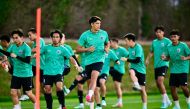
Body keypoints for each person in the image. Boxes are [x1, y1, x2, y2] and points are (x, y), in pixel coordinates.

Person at [41, 29, 82, 109]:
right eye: (53, 37)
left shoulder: (63, 49)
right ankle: (49, 107)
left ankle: (63, 106)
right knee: (47, 90)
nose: (55, 38)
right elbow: (38, 53)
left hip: (58, 72)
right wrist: (31, 57)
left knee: (59, 87)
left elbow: (71, 58)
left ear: (60, 38)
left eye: (57, 37)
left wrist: (76, 65)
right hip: (47, 72)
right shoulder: (46, 48)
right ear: (51, 38)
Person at [76, 16, 109, 109]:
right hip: (88, 62)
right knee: (90, 81)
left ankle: (89, 94)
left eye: (100, 23)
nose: (99, 25)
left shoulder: (104, 33)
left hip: (100, 60)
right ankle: (92, 102)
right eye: (97, 23)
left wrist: (107, 48)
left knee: (94, 76)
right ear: (92, 24)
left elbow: (108, 42)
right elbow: (77, 49)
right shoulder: (85, 35)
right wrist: (87, 49)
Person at [0, 29, 36, 109]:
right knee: (13, 92)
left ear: (22, 38)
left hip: (26, 74)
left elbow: (27, 60)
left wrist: (16, 56)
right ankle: (17, 107)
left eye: (16, 38)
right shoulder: (13, 46)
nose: (15, 40)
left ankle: (36, 105)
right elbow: (8, 54)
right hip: (16, 73)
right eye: (13, 38)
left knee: (28, 93)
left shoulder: (26, 48)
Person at [161, 29, 190, 109]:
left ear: (178, 37)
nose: (173, 38)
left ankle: (188, 101)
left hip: (183, 69)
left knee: (183, 87)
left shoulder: (183, 45)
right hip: (174, 70)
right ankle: (177, 106)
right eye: (171, 37)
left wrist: (185, 58)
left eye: (175, 36)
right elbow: (168, 58)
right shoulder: (169, 46)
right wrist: (164, 58)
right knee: (172, 88)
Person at [145, 25, 172, 108]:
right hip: (156, 65)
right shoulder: (154, 42)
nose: (158, 33)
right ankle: (167, 100)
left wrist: (166, 56)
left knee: (160, 81)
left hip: (164, 64)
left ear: (163, 33)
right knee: (158, 84)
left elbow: (171, 51)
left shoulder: (167, 41)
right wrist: (147, 59)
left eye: (160, 32)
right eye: (156, 32)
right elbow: (151, 52)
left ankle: (164, 102)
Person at [122, 33, 147, 109]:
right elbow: (130, 56)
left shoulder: (138, 47)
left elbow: (137, 60)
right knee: (131, 71)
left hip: (141, 70)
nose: (125, 42)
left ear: (131, 40)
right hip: (133, 68)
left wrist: (127, 60)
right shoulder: (129, 48)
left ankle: (144, 106)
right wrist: (129, 62)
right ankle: (136, 84)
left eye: (126, 41)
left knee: (142, 91)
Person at [109, 38, 129, 108]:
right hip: (114, 69)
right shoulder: (112, 51)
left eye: (110, 42)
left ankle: (120, 103)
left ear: (115, 42)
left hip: (119, 70)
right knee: (116, 86)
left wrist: (129, 63)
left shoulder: (122, 49)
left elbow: (129, 56)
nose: (110, 44)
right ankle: (119, 102)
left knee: (117, 86)